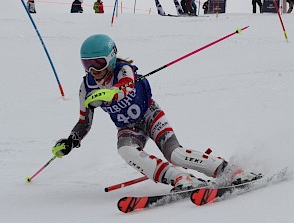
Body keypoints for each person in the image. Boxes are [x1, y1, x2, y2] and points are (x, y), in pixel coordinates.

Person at [51, 34, 258, 192]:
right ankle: (180, 179)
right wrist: (71, 140)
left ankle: (230, 171)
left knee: (175, 154)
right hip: (127, 128)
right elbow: (83, 121)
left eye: (98, 64)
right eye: (87, 64)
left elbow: (124, 88)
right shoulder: (86, 87)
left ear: (111, 59)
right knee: (125, 151)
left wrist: (107, 95)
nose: (92, 71)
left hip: (150, 116)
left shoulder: (124, 70)